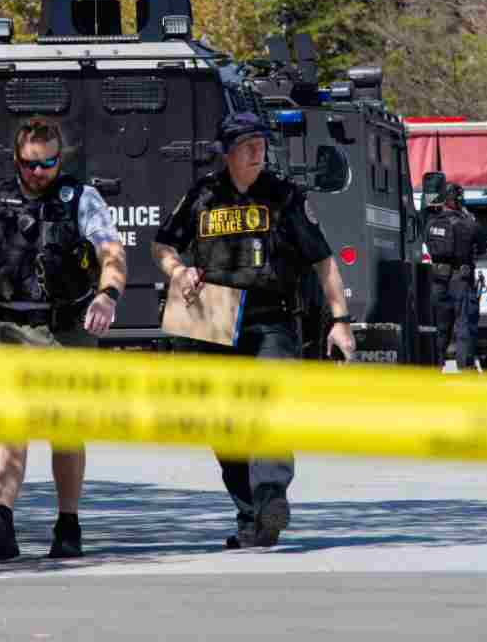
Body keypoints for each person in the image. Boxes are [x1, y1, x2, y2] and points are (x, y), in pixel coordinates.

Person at [151, 111, 356, 550]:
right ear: (227, 152)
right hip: (213, 316)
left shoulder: (284, 197)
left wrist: (340, 321)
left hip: (271, 317)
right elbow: (163, 242)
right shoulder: (204, 195)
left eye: (260, 144)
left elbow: (322, 259)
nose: (256, 152)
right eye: (246, 145)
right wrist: (177, 270)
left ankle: (270, 498)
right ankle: (252, 516)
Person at [0, 117, 127, 561]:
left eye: (49, 163)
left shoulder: (82, 199)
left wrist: (108, 296)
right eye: (32, 164)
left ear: (60, 158)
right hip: (7, 327)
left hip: (65, 328)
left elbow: (111, 254)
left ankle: (68, 524)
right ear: (17, 160)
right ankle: (1, 516)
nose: (40, 172)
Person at [424, 182, 487, 371]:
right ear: (459, 200)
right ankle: (465, 367)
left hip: (437, 280)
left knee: (439, 326)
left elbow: (426, 243)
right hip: (461, 280)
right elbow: (483, 248)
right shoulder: (470, 223)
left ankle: (435, 365)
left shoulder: (431, 222)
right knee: (464, 326)